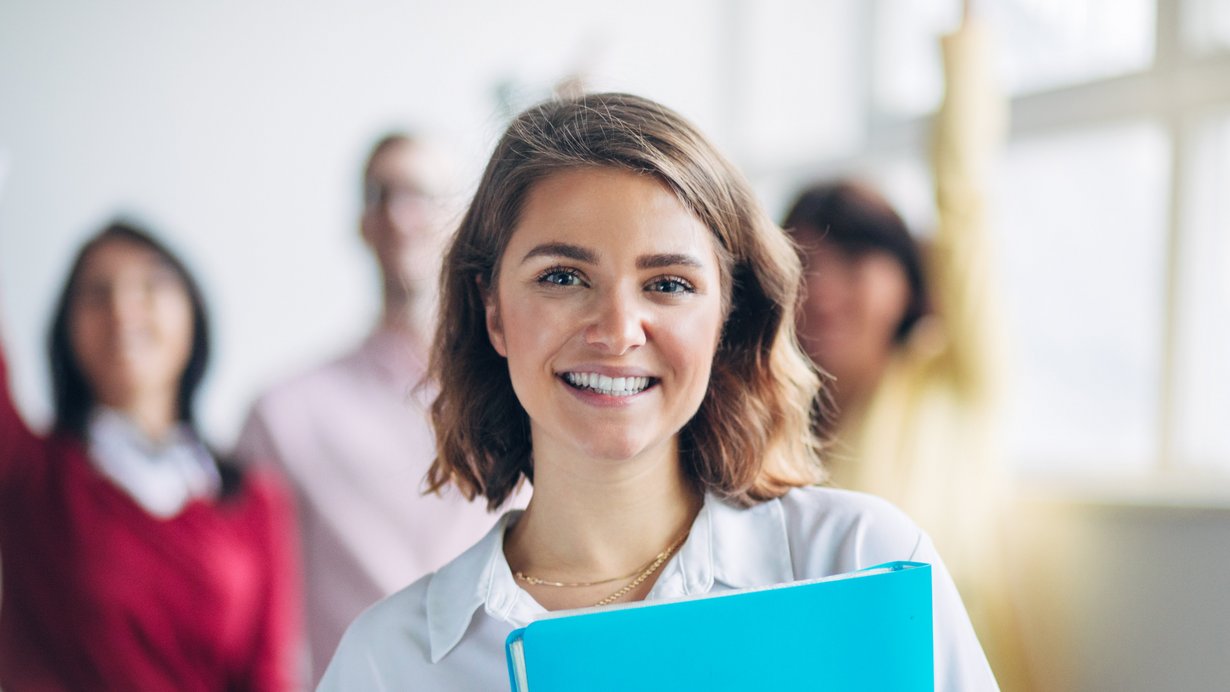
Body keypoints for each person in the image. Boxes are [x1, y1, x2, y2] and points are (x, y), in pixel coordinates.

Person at [319, 92, 997, 690]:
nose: (617, 332)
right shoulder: (388, 662)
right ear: (493, 310)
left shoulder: (864, 564)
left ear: (726, 317)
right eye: (562, 277)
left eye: (668, 284)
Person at [782, 17, 1033, 691]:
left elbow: (967, 210)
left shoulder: (952, 379)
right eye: (804, 264)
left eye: (853, 259)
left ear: (909, 275)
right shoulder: (771, 415)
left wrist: (969, 44)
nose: (823, 289)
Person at [235, 133, 526, 685]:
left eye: (420, 195)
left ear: (462, 223)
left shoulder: (529, 396)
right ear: (362, 224)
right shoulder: (283, 414)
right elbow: (252, 616)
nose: (398, 215)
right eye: (380, 195)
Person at [0, 221, 300, 690]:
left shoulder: (253, 501)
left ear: (193, 314)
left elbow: (269, 676)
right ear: (66, 330)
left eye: (151, 285)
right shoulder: (31, 472)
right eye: (96, 294)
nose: (122, 309)